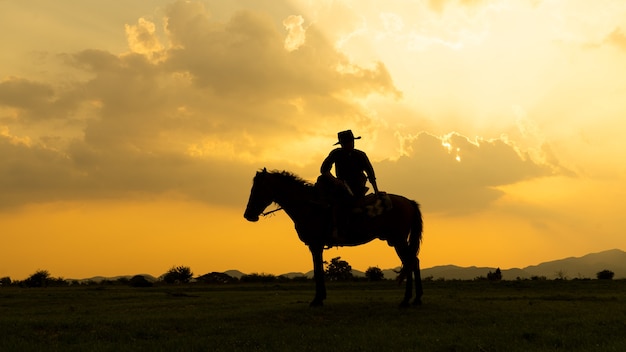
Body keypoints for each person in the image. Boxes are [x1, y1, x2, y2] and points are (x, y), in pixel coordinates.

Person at [320, 130, 379, 199]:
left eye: (351, 141)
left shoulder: (360, 155)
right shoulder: (336, 153)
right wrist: (335, 180)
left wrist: (376, 190)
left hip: (357, 184)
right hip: (341, 184)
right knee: (322, 180)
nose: (351, 144)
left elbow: (370, 173)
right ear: (342, 144)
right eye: (348, 142)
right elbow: (324, 169)